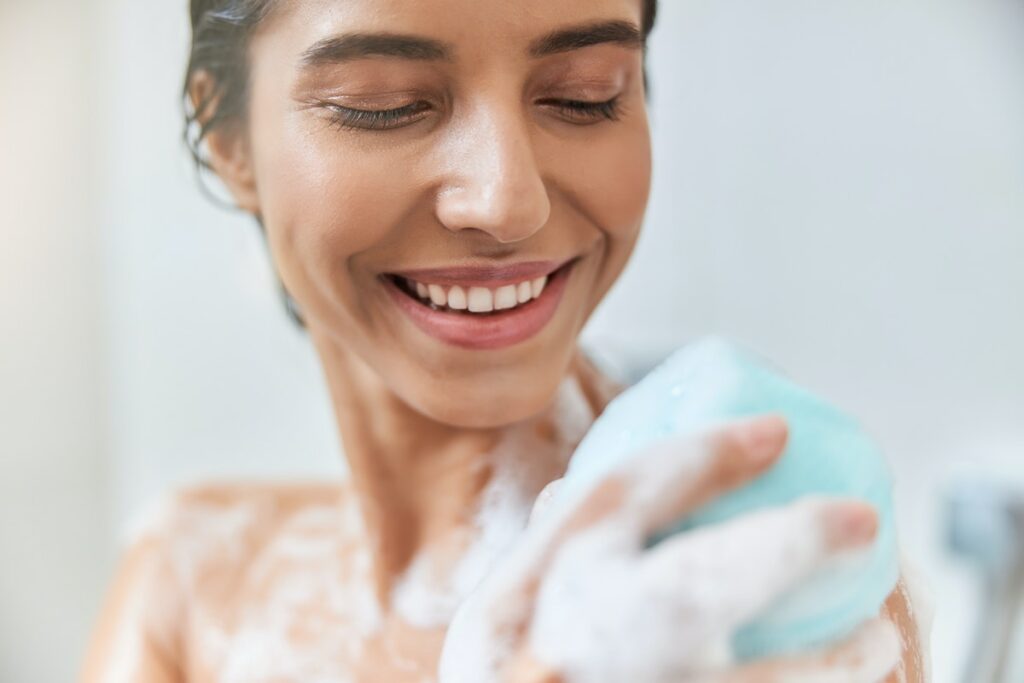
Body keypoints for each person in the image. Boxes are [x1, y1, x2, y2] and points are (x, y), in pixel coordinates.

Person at [82, 1, 926, 681]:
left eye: (586, 93)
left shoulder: (750, 579)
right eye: (383, 104)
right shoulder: (193, 584)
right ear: (230, 144)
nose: (507, 199)